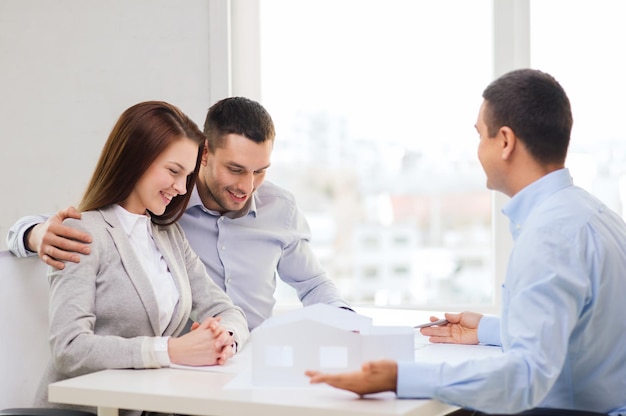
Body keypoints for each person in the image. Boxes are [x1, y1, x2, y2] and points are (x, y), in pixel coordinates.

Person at [305, 69, 626, 416]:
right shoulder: (594, 215)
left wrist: (401, 377)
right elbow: (576, 332)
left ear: (505, 141)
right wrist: (487, 328)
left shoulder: (549, 236)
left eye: (480, 136)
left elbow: (525, 378)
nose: (478, 151)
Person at [6, 97, 351, 331]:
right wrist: (34, 234)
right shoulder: (165, 203)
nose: (248, 186)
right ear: (204, 155)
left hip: (252, 367)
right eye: (235, 169)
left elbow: (313, 283)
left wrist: (347, 325)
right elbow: (96, 217)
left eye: (260, 170)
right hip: (180, 373)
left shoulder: (281, 208)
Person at [33, 101, 249, 415]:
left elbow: (226, 310)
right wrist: (171, 350)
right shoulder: (82, 232)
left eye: (187, 176)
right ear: (136, 158)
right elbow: (70, 348)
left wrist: (223, 338)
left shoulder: (169, 237)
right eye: (173, 171)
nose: (180, 187)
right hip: (83, 410)